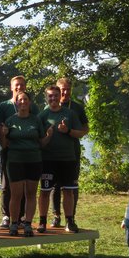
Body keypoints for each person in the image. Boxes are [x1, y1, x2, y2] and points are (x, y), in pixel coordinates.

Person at [0, 91, 51, 237]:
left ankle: (27, 223)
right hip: (15, 161)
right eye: (20, 100)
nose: (23, 102)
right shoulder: (10, 120)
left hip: (34, 160)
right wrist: (3, 134)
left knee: (30, 194)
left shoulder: (36, 120)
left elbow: (41, 143)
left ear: (29, 102)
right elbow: (4, 145)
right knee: (16, 195)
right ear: (16, 103)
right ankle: (14, 223)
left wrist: (49, 136)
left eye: (25, 99)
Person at [38, 85, 85, 233]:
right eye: (50, 96)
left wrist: (68, 131)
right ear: (46, 98)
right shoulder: (42, 115)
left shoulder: (70, 114)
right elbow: (38, 140)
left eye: (56, 95)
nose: (53, 98)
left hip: (67, 159)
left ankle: (69, 221)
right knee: (45, 191)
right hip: (48, 159)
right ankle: (42, 222)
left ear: (60, 97)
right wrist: (47, 137)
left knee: (68, 191)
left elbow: (81, 133)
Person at [0, 75, 39, 229]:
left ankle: (21, 218)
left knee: (26, 187)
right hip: (9, 150)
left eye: (22, 85)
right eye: (16, 85)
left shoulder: (32, 107)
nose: (19, 87)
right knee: (7, 185)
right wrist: (3, 135)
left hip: (29, 154)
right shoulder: (3, 106)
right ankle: (7, 216)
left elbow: (37, 127)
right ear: (11, 87)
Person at [51, 77, 89, 227]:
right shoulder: (50, 106)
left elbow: (85, 130)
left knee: (71, 186)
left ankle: (70, 218)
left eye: (68, 90)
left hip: (72, 153)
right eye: (62, 90)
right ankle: (56, 216)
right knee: (55, 186)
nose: (65, 93)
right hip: (53, 153)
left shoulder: (77, 108)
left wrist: (69, 131)